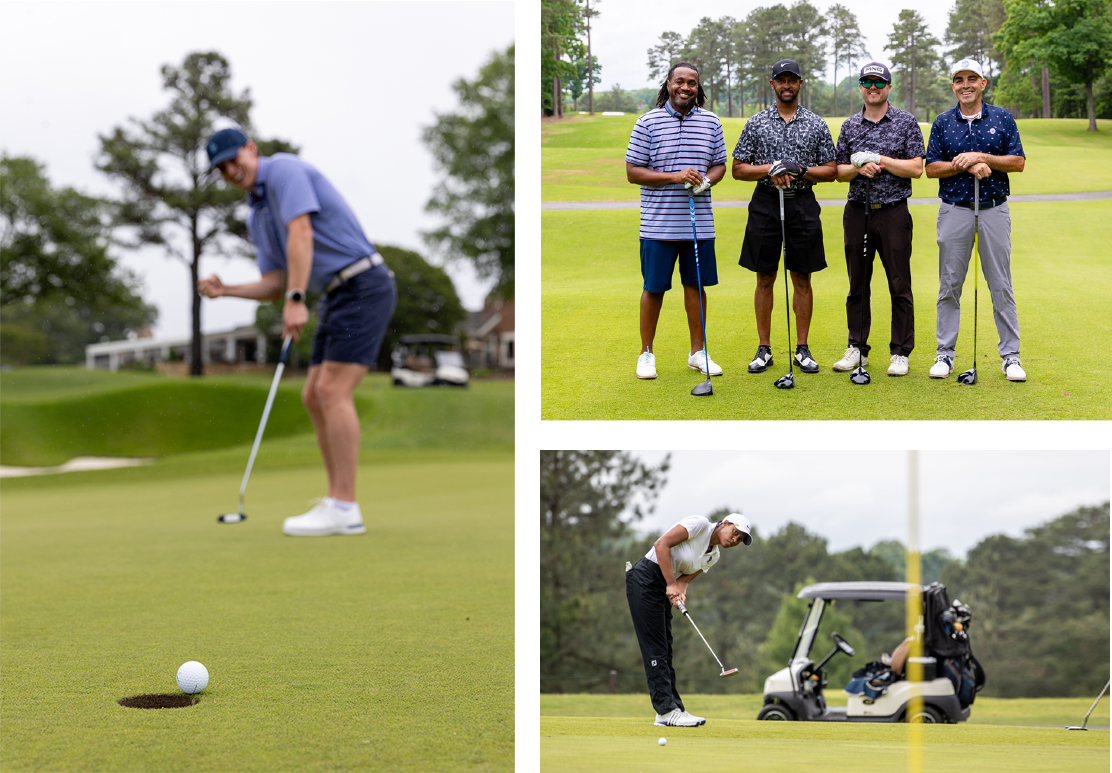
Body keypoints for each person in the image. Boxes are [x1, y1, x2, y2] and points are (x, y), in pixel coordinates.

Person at [198, 128, 397, 536]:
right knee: (312, 394)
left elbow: (301, 233)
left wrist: (295, 296)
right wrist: (226, 291)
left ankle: (344, 506)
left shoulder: (284, 170)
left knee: (331, 391)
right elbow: (274, 281)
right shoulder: (256, 215)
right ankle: (338, 499)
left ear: (251, 149)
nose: (232, 171)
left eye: (235, 160)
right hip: (336, 295)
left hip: (364, 283)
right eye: (222, 169)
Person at [732, 59, 837, 375]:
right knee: (764, 276)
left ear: (800, 83)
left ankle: (802, 349)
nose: (787, 85)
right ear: (772, 84)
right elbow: (738, 168)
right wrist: (771, 168)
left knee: (802, 277)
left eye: (792, 80)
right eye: (781, 80)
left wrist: (800, 169)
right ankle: (764, 349)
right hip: (765, 203)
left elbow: (830, 170)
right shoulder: (756, 123)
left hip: (801, 203)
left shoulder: (816, 123)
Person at [925, 58, 1027, 382]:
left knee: (1001, 284)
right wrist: (965, 165)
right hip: (955, 209)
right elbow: (931, 168)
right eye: (959, 79)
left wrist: (982, 158)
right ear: (953, 85)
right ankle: (945, 354)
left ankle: (1011, 357)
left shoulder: (1002, 118)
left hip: (994, 208)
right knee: (950, 284)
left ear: (983, 83)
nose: (965, 84)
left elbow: (1018, 162)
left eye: (972, 78)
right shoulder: (943, 121)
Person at [626, 62, 728, 380]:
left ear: (699, 88)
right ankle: (646, 353)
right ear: (668, 84)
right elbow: (633, 172)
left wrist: (705, 181)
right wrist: (675, 176)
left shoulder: (711, 123)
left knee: (696, 288)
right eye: (680, 82)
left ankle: (698, 353)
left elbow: (719, 165)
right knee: (653, 289)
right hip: (658, 225)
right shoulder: (647, 122)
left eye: (692, 83)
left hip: (699, 224)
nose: (686, 88)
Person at [833, 62, 925, 377]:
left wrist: (879, 160)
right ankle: (857, 348)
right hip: (858, 211)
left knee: (899, 284)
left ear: (888, 87)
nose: (873, 88)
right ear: (860, 87)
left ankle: (900, 352)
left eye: (879, 83)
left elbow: (915, 167)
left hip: (894, 212)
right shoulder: (849, 126)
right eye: (867, 82)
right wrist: (858, 168)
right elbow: (838, 172)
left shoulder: (906, 122)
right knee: (857, 283)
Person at [625, 512, 752, 727]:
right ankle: (666, 711)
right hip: (645, 579)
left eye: (739, 539)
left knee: (666, 648)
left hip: (663, 584)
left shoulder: (713, 556)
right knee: (656, 648)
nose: (735, 540)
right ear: (726, 523)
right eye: (735, 533)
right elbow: (661, 544)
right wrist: (671, 584)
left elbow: (684, 581)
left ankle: (673, 708)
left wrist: (678, 590)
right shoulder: (700, 525)